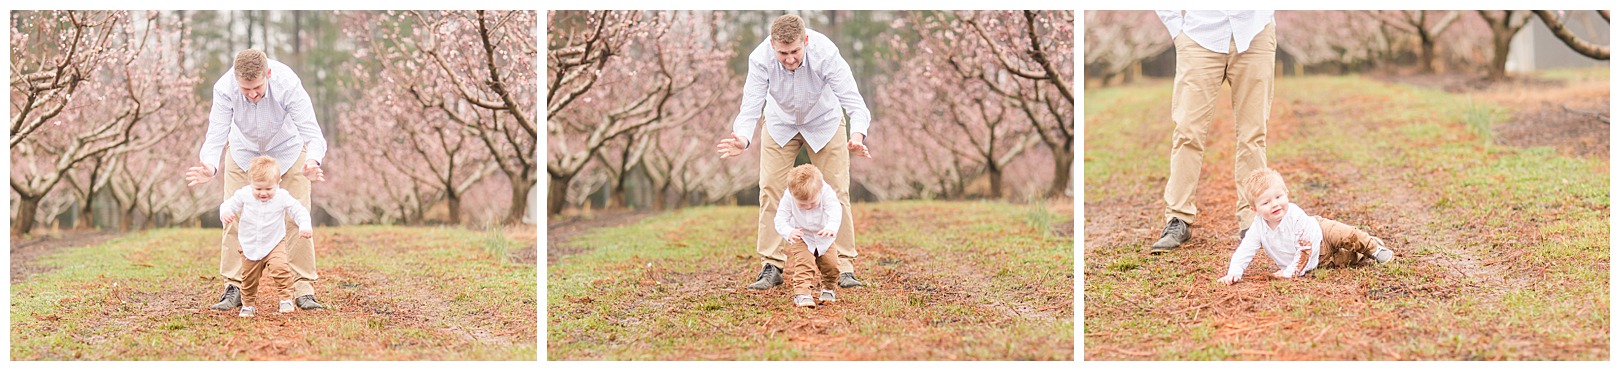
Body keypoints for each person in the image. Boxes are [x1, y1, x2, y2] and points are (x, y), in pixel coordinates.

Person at [717, 14, 871, 290]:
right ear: (772, 45)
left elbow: (854, 102)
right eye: (783, 53)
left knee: (836, 191)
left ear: (806, 41)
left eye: (795, 51)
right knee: (770, 189)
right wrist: (742, 137)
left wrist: (857, 135)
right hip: (781, 123)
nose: (789, 59)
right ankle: (772, 265)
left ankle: (844, 265)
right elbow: (751, 105)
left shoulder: (825, 53)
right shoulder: (760, 58)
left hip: (824, 122)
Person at [184, 49, 329, 311]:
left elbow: (312, 132)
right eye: (245, 88)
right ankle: (234, 286)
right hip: (243, 154)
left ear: (268, 75)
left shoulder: (287, 83)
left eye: (257, 87)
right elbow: (216, 133)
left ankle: (304, 288)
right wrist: (210, 166)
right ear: (236, 80)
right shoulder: (225, 88)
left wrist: (313, 161)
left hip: (288, 150)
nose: (251, 94)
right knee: (232, 216)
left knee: (297, 216)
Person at [1151, 10, 1277, 254]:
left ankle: (1253, 220)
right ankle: (1178, 219)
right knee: (1187, 132)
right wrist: (1177, 29)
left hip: (1255, 32)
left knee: (1253, 134)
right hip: (1199, 34)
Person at [1217, 168, 1395, 285]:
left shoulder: (1295, 215)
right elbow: (1245, 249)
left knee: (1346, 235)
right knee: (1348, 258)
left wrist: (1291, 272)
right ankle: (1362, 251)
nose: (1275, 204)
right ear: (1254, 209)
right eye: (1266, 202)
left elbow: (1305, 247)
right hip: (1318, 261)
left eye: (1278, 197)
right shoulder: (1258, 227)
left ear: (1286, 193)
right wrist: (1234, 272)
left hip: (1321, 232)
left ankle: (1373, 248)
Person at [220, 157, 314, 317]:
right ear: (250, 183)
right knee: (249, 278)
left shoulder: (282, 196)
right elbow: (228, 204)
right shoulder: (244, 194)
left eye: (269, 189)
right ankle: (248, 304)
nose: (263, 193)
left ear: (278, 183)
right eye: (258, 189)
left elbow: (298, 210)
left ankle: (286, 299)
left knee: (281, 269)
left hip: (274, 243)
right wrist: (226, 212)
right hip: (250, 244)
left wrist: (304, 225)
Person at [775, 164, 844, 307]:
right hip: (801, 235)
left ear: (820, 191)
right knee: (805, 263)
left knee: (832, 265)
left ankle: (828, 288)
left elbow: (835, 210)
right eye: (801, 205)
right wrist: (789, 231)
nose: (807, 207)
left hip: (824, 234)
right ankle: (802, 293)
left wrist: (831, 227)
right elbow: (780, 219)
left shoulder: (826, 192)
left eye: (812, 203)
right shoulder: (789, 196)